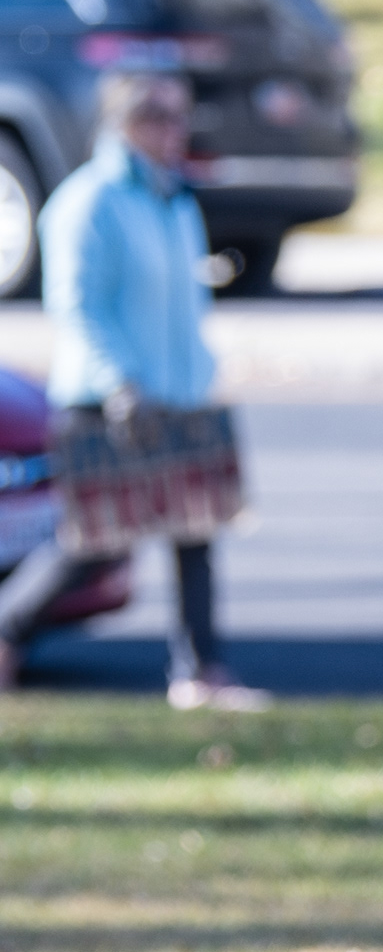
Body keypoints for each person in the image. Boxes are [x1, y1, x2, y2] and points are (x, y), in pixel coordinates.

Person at [0, 71, 260, 708]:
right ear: (124, 123)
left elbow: (185, 301)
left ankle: (201, 670)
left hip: (180, 395)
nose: (174, 132)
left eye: (178, 118)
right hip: (109, 400)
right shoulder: (89, 202)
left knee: (196, 535)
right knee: (97, 544)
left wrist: (200, 373)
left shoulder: (172, 199)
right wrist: (122, 381)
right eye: (158, 119)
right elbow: (78, 306)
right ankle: (7, 629)